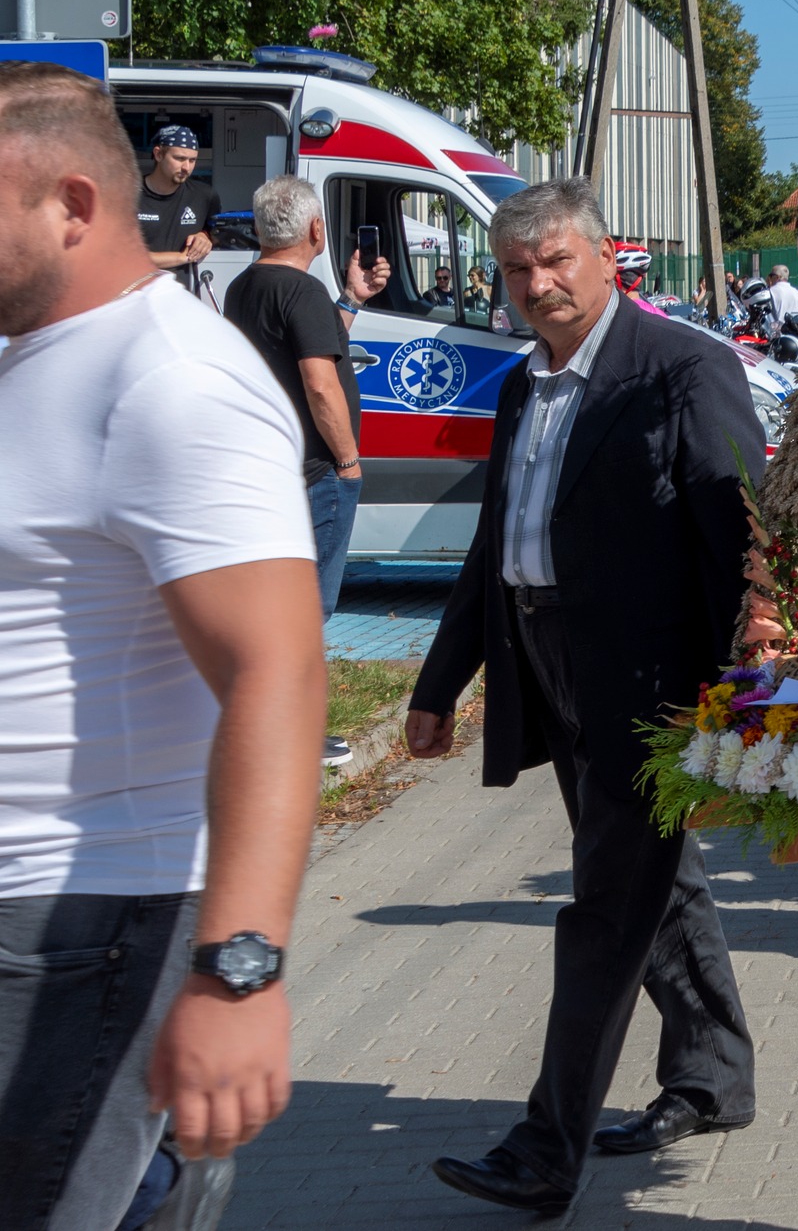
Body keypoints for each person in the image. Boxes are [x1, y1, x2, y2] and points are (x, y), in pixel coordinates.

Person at [0, 62, 325, 1231]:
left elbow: (278, 671)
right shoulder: (36, 355)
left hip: (82, 918)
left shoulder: (172, 380)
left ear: (73, 205)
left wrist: (239, 974)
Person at [405, 178, 759, 1215]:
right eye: (517, 269)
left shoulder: (680, 366)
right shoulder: (525, 383)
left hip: (651, 682)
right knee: (656, 881)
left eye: (557, 260)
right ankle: (713, 1076)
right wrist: (439, 684)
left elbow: (738, 525)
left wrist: (748, 673)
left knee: (608, 905)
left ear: (608, 258)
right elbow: (494, 545)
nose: (538, 284)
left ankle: (545, 1147)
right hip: (547, 663)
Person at [222, 174, 391, 768]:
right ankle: (292, 735)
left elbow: (309, 349)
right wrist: (347, 461)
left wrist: (351, 300)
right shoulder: (301, 290)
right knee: (307, 608)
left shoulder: (246, 286)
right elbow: (321, 385)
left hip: (269, 470)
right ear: (316, 229)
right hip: (316, 472)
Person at [136, 124, 220, 287]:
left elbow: (218, 234)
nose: (186, 167)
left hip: (183, 294)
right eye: (179, 159)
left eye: (192, 160)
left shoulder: (204, 196)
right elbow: (120, 257)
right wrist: (182, 257)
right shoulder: (128, 196)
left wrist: (205, 236)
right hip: (136, 294)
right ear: (158, 154)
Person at [765, 263, 798, 333]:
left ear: (777, 277)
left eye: (771, 276)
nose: (770, 278)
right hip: (794, 333)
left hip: (777, 332)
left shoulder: (770, 292)